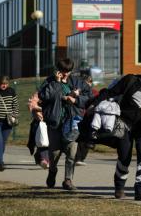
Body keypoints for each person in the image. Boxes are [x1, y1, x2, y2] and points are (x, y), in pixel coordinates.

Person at [92, 56, 141, 201]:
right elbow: (110, 93)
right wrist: (94, 105)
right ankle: (119, 187)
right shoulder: (130, 80)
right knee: (124, 155)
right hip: (122, 123)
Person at [39, 58, 92, 190]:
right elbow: (44, 96)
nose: (65, 73)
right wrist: (57, 83)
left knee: (71, 153)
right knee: (55, 153)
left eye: (68, 71)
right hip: (55, 123)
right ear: (57, 69)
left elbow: (89, 97)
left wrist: (75, 99)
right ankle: (52, 171)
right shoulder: (49, 81)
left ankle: (68, 180)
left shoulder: (78, 82)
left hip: (72, 122)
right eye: (63, 71)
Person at [75, 74, 99, 166]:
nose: (88, 84)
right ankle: (77, 157)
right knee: (79, 138)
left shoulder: (95, 92)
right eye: (86, 82)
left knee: (86, 139)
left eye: (90, 82)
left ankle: (81, 158)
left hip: (89, 118)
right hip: (78, 117)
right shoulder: (78, 91)